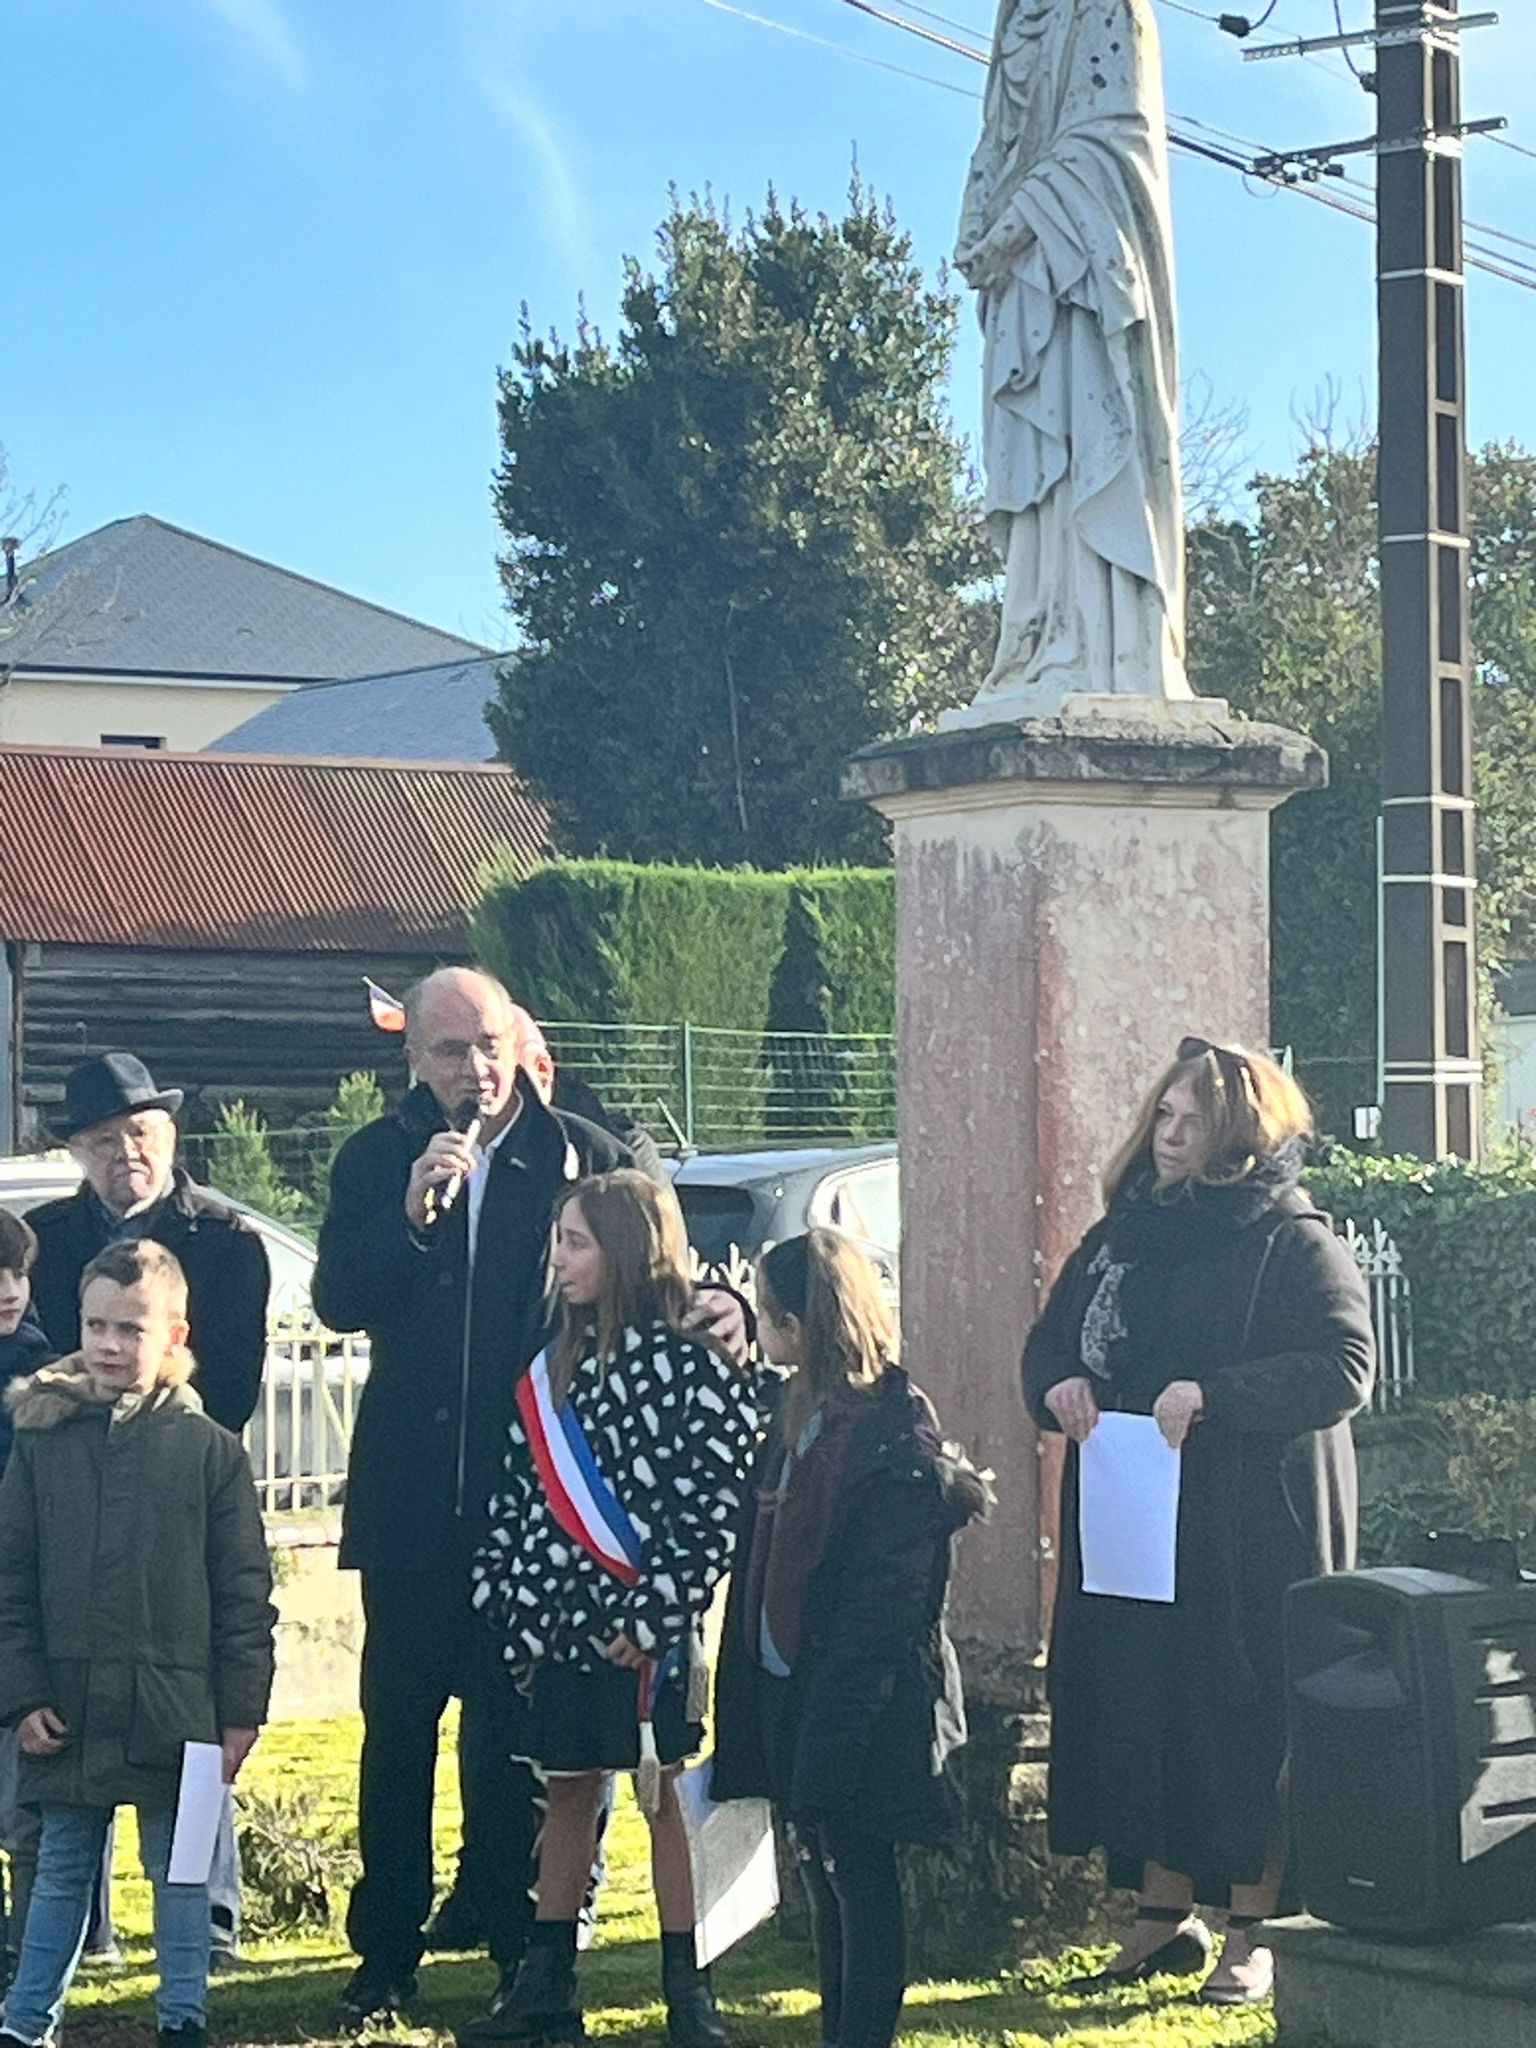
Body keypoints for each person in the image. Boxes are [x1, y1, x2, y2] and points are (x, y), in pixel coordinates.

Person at [313, 969, 747, 2028]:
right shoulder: (379, 1158)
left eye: (490, 1043)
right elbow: (335, 1296)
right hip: (417, 1503)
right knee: (398, 1733)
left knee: (520, 1742)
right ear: (412, 1056)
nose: (475, 1067)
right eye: (451, 1050)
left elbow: (668, 1263)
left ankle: (524, 1945)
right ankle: (386, 1951)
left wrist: (728, 1303)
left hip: (543, 1523)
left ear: (519, 1041)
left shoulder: (583, 1154)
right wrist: (413, 1217)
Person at [1021, 1038, 1376, 2006]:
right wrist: (1059, 1381)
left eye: (1189, 1123)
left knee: (1241, 1718)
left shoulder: (1290, 1238)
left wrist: (1215, 1393)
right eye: (1162, 1117)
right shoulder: (1121, 1233)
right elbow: (1052, 1339)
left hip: (1247, 1528)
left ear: (1236, 1138)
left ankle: (1251, 1930)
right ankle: (1158, 1908)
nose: (1167, 1137)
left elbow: (1344, 1366)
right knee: (1146, 1704)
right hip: (1135, 1517)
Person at [465, 1170, 755, 2047]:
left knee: (662, 1794)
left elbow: (713, 1505)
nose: (560, 1260)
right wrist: (511, 1601)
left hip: (651, 1637)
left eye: (578, 1241)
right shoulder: (550, 1368)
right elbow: (517, 1499)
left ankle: (687, 1988)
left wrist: (656, 1616)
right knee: (564, 1789)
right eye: (558, 1241)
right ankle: (545, 1986)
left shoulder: (691, 1370)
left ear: (628, 1248)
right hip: (562, 1629)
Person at [710, 1230, 990, 2048]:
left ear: (796, 1324)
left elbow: (881, 1613)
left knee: (861, 1878)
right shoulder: (800, 1410)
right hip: (794, 1685)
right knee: (824, 1875)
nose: (760, 1331)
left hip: (860, 1701)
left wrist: (831, 1736)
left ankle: (860, 2034)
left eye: (766, 1316)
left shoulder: (892, 1439)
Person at [26, 1052, 269, 1969]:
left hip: (190, 1498)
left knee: (197, 1720)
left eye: (139, 1133)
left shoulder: (228, 1243)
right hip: (72, 1504)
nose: (123, 1152)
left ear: (168, 1135)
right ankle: (78, 1924)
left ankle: (207, 1918)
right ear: (79, 1150)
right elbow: (41, 1368)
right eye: (102, 1139)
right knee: (76, 1707)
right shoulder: (47, 1241)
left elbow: (234, 1384)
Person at [0, 1240, 275, 2048]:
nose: (110, 1346)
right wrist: (19, 1695)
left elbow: (244, 1594)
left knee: (184, 1869)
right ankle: (24, 2023)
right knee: (58, 1873)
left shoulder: (212, 1453)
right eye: (94, 1326)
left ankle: (183, 2018)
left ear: (176, 1336)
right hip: (68, 1706)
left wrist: (242, 1712)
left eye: (131, 1328)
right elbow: (9, 1580)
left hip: (184, 1711)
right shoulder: (42, 1443)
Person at [954, 0, 1190, 710]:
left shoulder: (1111, 9)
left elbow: (1111, 144)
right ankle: (1042, 639)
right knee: (1038, 468)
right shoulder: (1015, 21)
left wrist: (1017, 221)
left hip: (1082, 272)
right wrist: (977, 222)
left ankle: (1100, 645)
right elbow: (998, 143)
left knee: (1091, 443)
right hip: (1025, 285)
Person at [0, 1213, 55, 1980]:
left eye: (17, 1274)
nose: (7, 1291)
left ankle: (32, 1955)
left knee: (28, 1811)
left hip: (26, 1614)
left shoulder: (47, 1378)